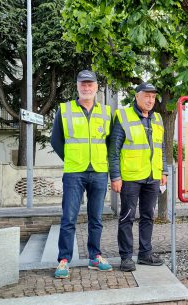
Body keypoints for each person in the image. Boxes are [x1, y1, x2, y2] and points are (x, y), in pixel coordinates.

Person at [51, 70, 113, 278]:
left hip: (98, 172)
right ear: (77, 86)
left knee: (96, 218)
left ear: (96, 87)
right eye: (82, 84)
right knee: (69, 217)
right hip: (74, 173)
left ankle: (95, 256)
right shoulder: (65, 110)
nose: (86, 88)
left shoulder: (106, 112)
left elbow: (111, 143)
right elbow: (56, 141)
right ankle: (63, 260)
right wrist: (71, 158)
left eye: (90, 84)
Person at [109, 82, 168, 272]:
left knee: (148, 216)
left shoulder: (158, 118)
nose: (150, 100)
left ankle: (145, 254)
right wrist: (116, 176)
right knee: (127, 217)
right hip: (130, 177)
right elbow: (114, 150)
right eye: (147, 96)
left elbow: (161, 147)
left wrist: (163, 171)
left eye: (153, 97)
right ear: (137, 96)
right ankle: (126, 257)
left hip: (152, 177)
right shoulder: (123, 116)